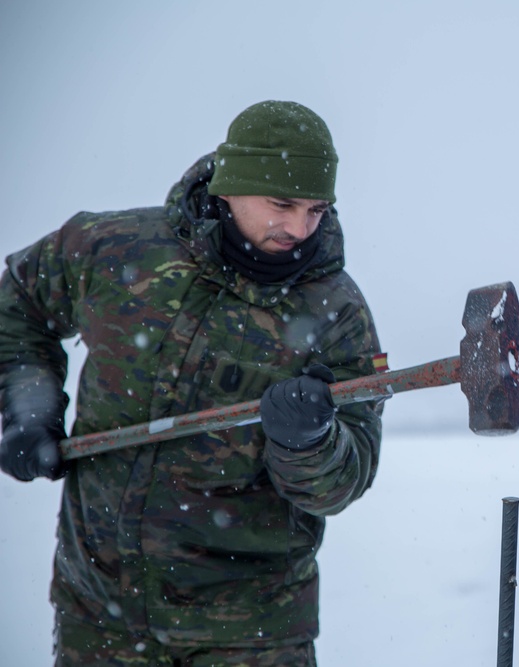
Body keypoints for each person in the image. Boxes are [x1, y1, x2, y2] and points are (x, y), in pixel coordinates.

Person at [0, 100, 386, 666]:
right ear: (230, 187)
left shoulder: (336, 313)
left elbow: (346, 480)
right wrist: (28, 408)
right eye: (282, 204)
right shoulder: (115, 250)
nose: (300, 228)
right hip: (97, 611)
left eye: (316, 209)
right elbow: (21, 300)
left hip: (249, 632)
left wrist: (309, 442)